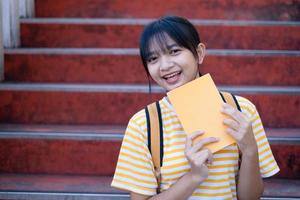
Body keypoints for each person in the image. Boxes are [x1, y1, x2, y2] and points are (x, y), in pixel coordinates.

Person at [111, 16, 279, 200]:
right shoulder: (143, 124)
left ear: (199, 53)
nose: (165, 66)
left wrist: (250, 150)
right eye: (153, 58)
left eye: (174, 51)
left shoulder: (241, 110)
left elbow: (251, 198)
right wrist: (194, 177)